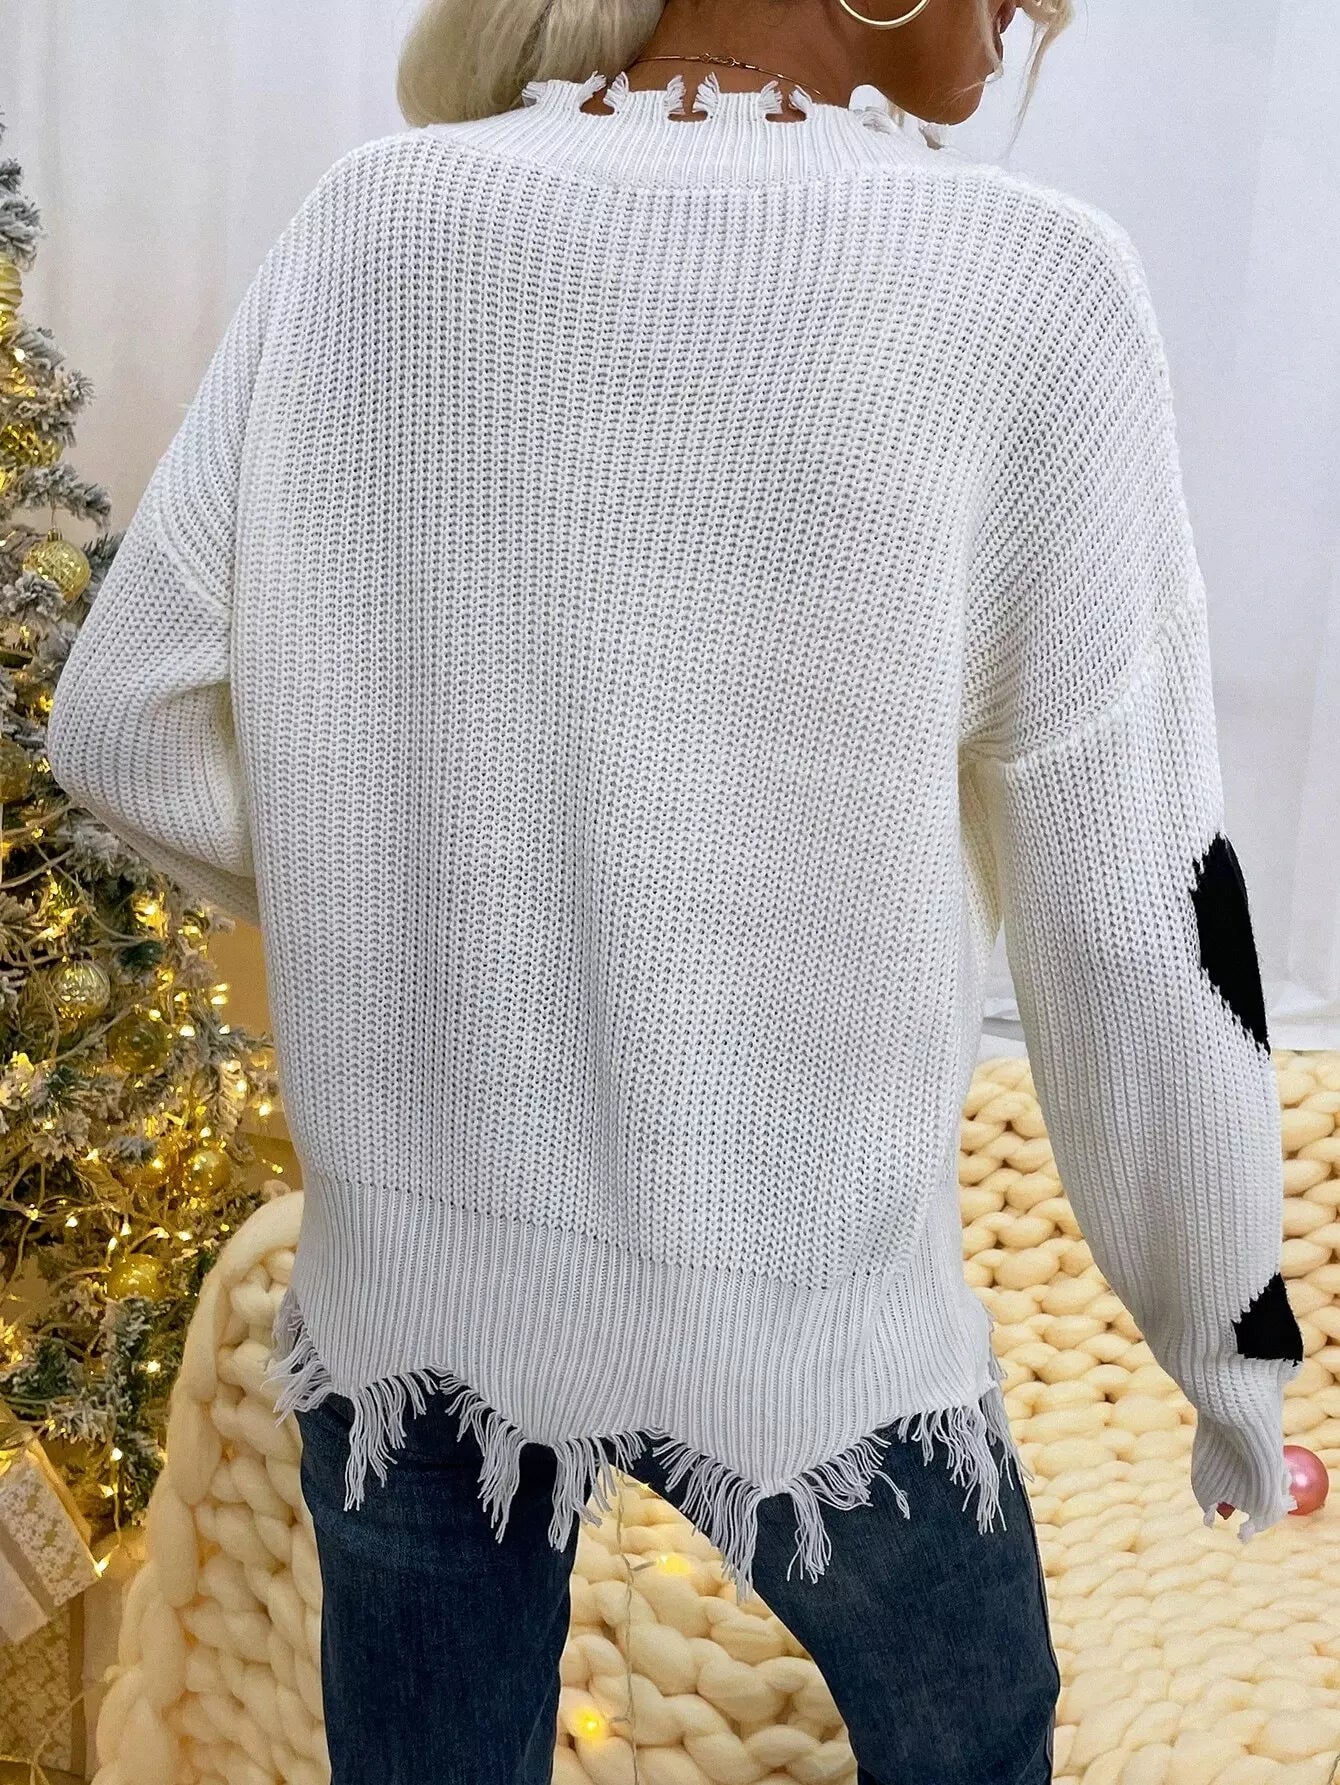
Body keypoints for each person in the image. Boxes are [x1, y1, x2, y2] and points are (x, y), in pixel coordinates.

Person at [45, 0, 1305, 1778]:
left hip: (417, 1291)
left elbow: (121, 723)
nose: (1046, 11)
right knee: (980, 1738)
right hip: (822, 1322)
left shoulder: (380, 228)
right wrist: (1230, 1342)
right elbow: (1144, 900)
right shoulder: (1028, 288)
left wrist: (397, 893)